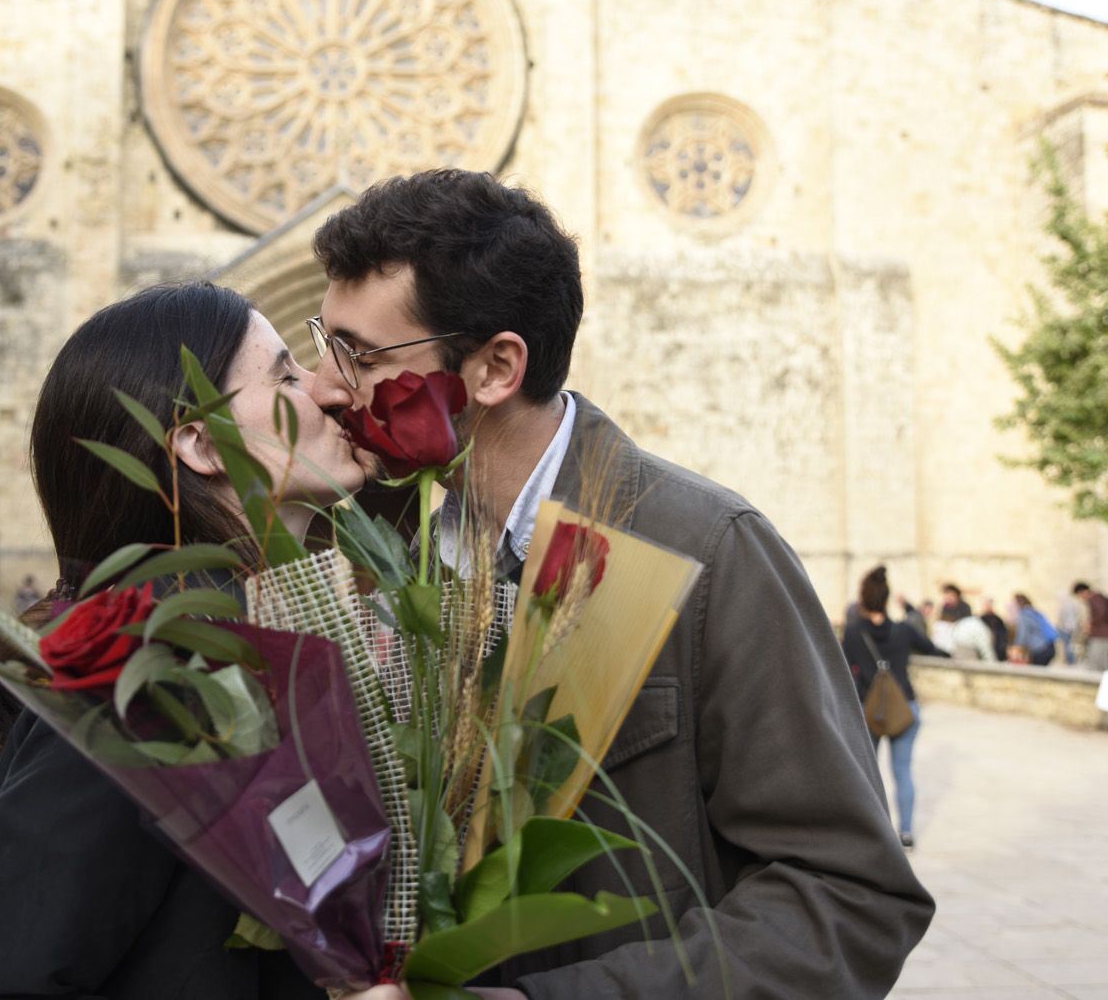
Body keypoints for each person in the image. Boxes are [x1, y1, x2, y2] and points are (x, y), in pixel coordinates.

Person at [306, 170, 933, 997]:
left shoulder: (706, 551)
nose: (323, 384)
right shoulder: (370, 540)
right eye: (323, 342)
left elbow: (848, 899)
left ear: (495, 367)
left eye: (357, 355)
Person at [0, 283, 376, 999]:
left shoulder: (248, 633)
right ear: (202, 444)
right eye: (285, 376)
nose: (330, 389)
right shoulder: (149, 667)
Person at [841, 567, 950, 849]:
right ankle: (906, 833)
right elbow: (932, 648)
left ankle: (874, 835)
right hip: (904, 708)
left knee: (868, 774)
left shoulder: (853, 633)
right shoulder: (904, 630)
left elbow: (842, 669)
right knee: (903, 772)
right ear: (886, 598)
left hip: (870, 711)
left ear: (863, 599)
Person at [1076, 581, 1108, 672]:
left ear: (1083, 592)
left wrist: (1090, 624)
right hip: (1104, 635)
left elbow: (1101, 613)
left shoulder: (1095, 599)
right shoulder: (1100, 598)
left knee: (1098, 664)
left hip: (1100, 635)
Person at [1012, 593, 1059, 667]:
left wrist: (1016, 646)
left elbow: (1022, 633)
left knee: (1037, 671)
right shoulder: (1033, 611)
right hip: (1049, 646)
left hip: (1040, 648)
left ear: (1018, 603)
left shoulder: (1024, 614)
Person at [980, 597, 1010, 662]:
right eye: (986, 605)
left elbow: (1002, 635)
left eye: (989, 605)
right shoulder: (980, 619)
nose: (987, 607)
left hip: (996, 646)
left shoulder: (998, 619)